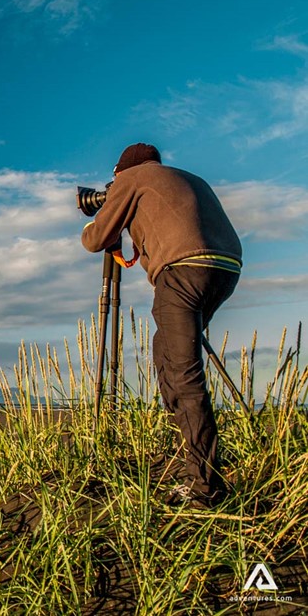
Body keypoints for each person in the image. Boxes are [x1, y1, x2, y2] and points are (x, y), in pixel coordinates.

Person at [81, 143, 242, 508]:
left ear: (121, 171)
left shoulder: (132, 179)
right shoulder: (187, 178)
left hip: (183, 273)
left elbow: (95, 239)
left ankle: (205, 486)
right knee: (166, 355)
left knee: (184, 375)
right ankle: (195, 446)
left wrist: (100, 216)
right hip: (225, 270)